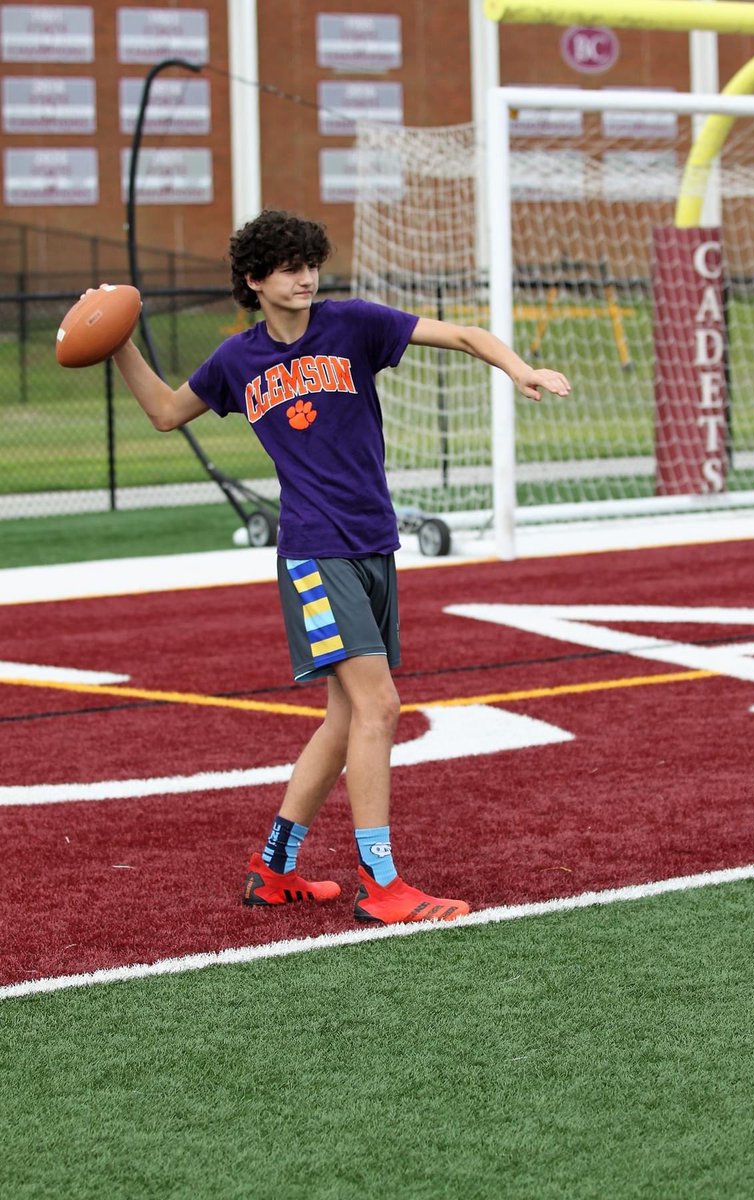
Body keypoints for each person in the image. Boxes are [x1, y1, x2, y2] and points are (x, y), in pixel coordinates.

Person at [111, 208, 571, 926]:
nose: (305, 277)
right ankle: (381, 884)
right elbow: (169, 413)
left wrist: (518, 367)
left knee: (345, 717)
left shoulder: (352, 324)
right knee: (381, 706)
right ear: (254, 280)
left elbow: (462, 333)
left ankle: (273, 868)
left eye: (311, 263)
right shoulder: (237, 360)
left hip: (373, 542)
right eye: (289, 267)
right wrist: (118, 345)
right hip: (313, 548)